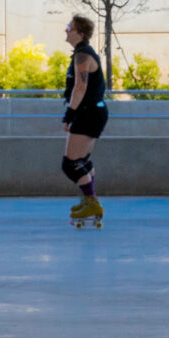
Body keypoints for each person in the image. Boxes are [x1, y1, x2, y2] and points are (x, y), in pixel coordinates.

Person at [60, 16, 107, 226]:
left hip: (88, 113)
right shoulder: (82, 53)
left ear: (79, 32)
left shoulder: (82, 56)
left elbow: (80, 88)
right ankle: (90, 200)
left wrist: (69, 115)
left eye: (70, 28)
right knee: (83, 161)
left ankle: (91, 202)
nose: (66, 30)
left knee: (70, 165)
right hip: (91, 112)